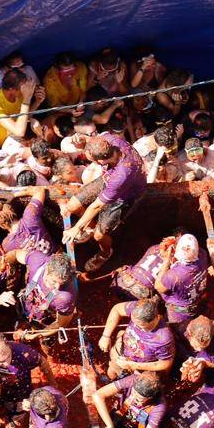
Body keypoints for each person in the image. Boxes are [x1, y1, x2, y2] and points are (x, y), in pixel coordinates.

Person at [62, 130, 147, 272]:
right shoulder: (110, 140)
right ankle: (90, 226)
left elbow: (96, 206)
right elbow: (90, 138)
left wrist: (76, 229)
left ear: (100, 162)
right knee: (72, 205)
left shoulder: (122, 174)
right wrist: (82, 139)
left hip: (125, 196)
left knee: (99, 235)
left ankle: (105, 253)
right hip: (108, 178)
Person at [91, 372, 167, 428]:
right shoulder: (133, 380)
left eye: (139, 399)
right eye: (133, 393)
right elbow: (98, 395)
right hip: (121, 416)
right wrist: (109, 426)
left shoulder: (159, 407)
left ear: (150, 398)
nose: (134, 399)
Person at [98, 298, 177, 379]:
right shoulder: (138, 307)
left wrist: (132, 365)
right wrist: (105, 336)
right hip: (121, 352)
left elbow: (165, 363)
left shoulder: (163, 338)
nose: (136, 326)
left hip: (142, 368)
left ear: (155, 319)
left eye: (141, 326)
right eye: (134, 322)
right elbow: (117, 309)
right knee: (112, 372)